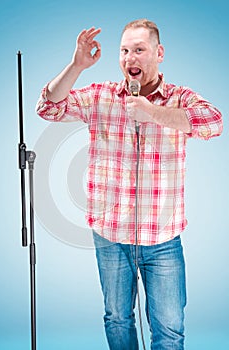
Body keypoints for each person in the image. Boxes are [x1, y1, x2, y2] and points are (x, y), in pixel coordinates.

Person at [36, 19, 223, 350]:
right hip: (110, 237)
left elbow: (214, 122)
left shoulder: (179, 98)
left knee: (169, 328)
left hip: (163, 239)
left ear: (158, 53)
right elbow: (49, 107)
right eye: (124, 51)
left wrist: (153, 113)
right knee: (117, 318)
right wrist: (77, 66)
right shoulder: (102, 97)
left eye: (139, 50)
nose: (130, 58)